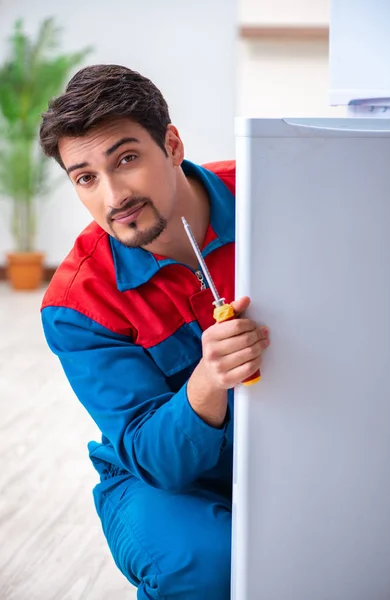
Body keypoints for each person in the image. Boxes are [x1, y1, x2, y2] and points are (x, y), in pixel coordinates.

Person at [39, 64, 270, 600]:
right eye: (86, 178)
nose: (113, 195)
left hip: (303, 442)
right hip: (157, 480)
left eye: (126, 158)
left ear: (170, 144)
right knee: (206, 563)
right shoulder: (77, 303)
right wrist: (209, 381)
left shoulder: (275, 194)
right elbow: (154, 457)